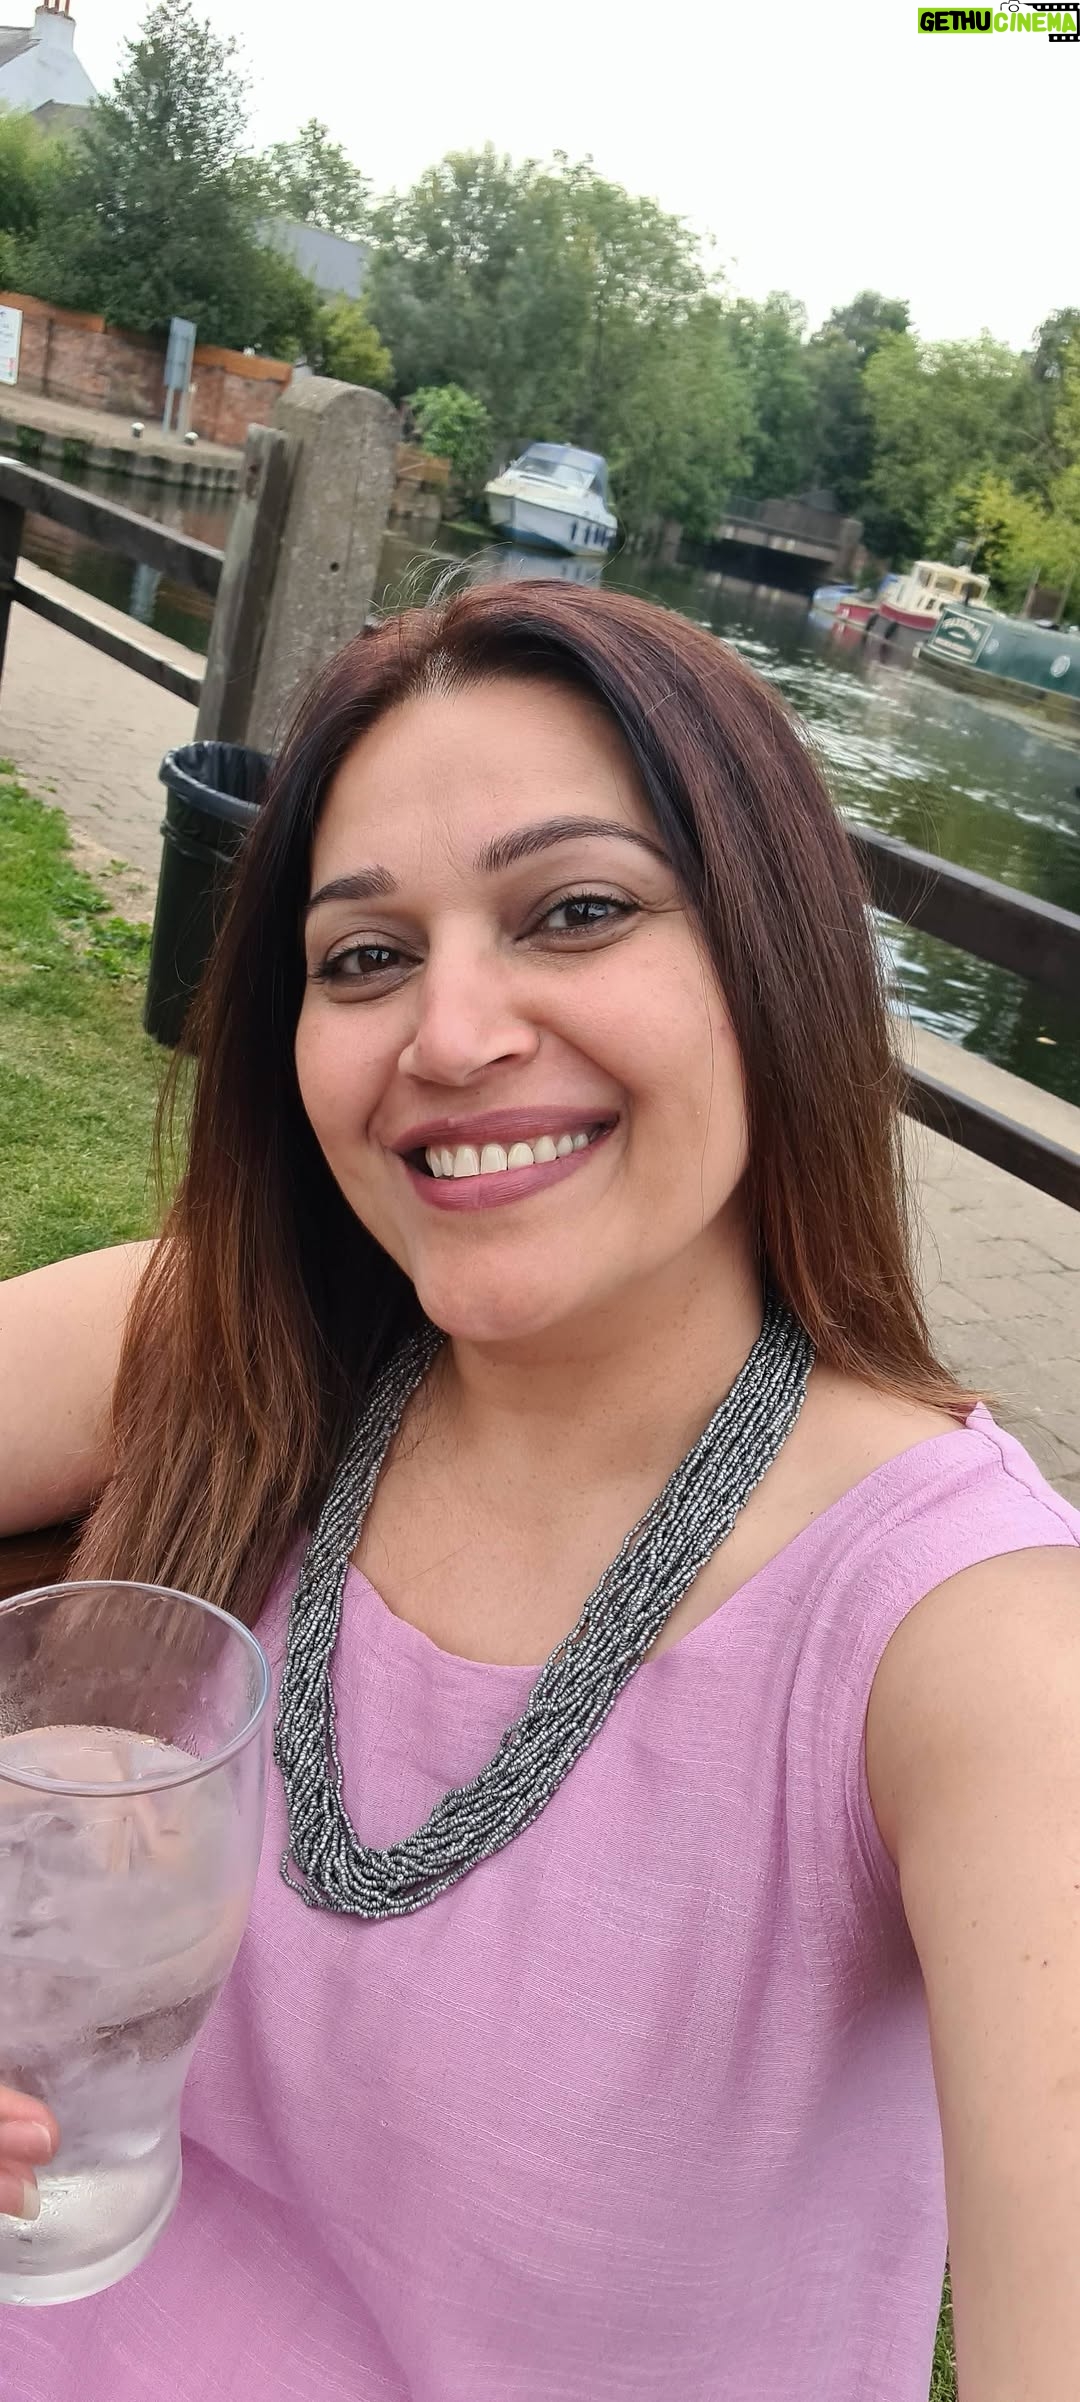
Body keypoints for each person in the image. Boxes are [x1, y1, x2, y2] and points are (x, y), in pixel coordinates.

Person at [1, 580, 1078, 2402]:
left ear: (773, 957)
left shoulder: (967, 1637)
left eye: (575, 911)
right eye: (364, 955)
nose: (449, 1033)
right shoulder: (226, 1342)